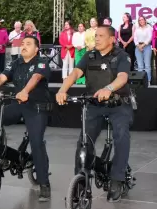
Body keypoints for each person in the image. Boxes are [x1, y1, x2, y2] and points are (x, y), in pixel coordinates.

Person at [56, 25, 133, 202]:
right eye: (95, 35)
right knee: (84, 140)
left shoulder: (121, 56)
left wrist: (109, 88)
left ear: (112, 39)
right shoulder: (89, 55)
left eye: (100, 36)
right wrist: (62, 90)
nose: (96, 38)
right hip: (95, 104)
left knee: (121, 135)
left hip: (118, 104)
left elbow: (122, 77)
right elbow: (75, 72)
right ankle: (80, 179)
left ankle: (117, 179)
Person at [0, 36, 52, 202]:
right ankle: (1, 154)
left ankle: (44, 184)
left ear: (36, 49)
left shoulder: (41, 62)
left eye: (28, 44)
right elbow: (2, 78)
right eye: (22, 44)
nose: (24, 46)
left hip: (36, 108)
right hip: (19, 104)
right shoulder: (16, 63)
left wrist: (25, 91)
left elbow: (36, 78)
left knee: (36, 143)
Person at [134, 16, 153, 85]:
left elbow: (150, 37)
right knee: (140, 66)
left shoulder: (149, 28)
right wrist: (138, 46)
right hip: (138, 47)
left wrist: (143, 45)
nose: (141, 21)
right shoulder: (137, 28)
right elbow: (135, 38)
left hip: (147, 47)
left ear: (145, 20)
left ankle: (148, 81)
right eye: (139, 20)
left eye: (142, 19)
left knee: (147, 65)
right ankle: (141, 82)